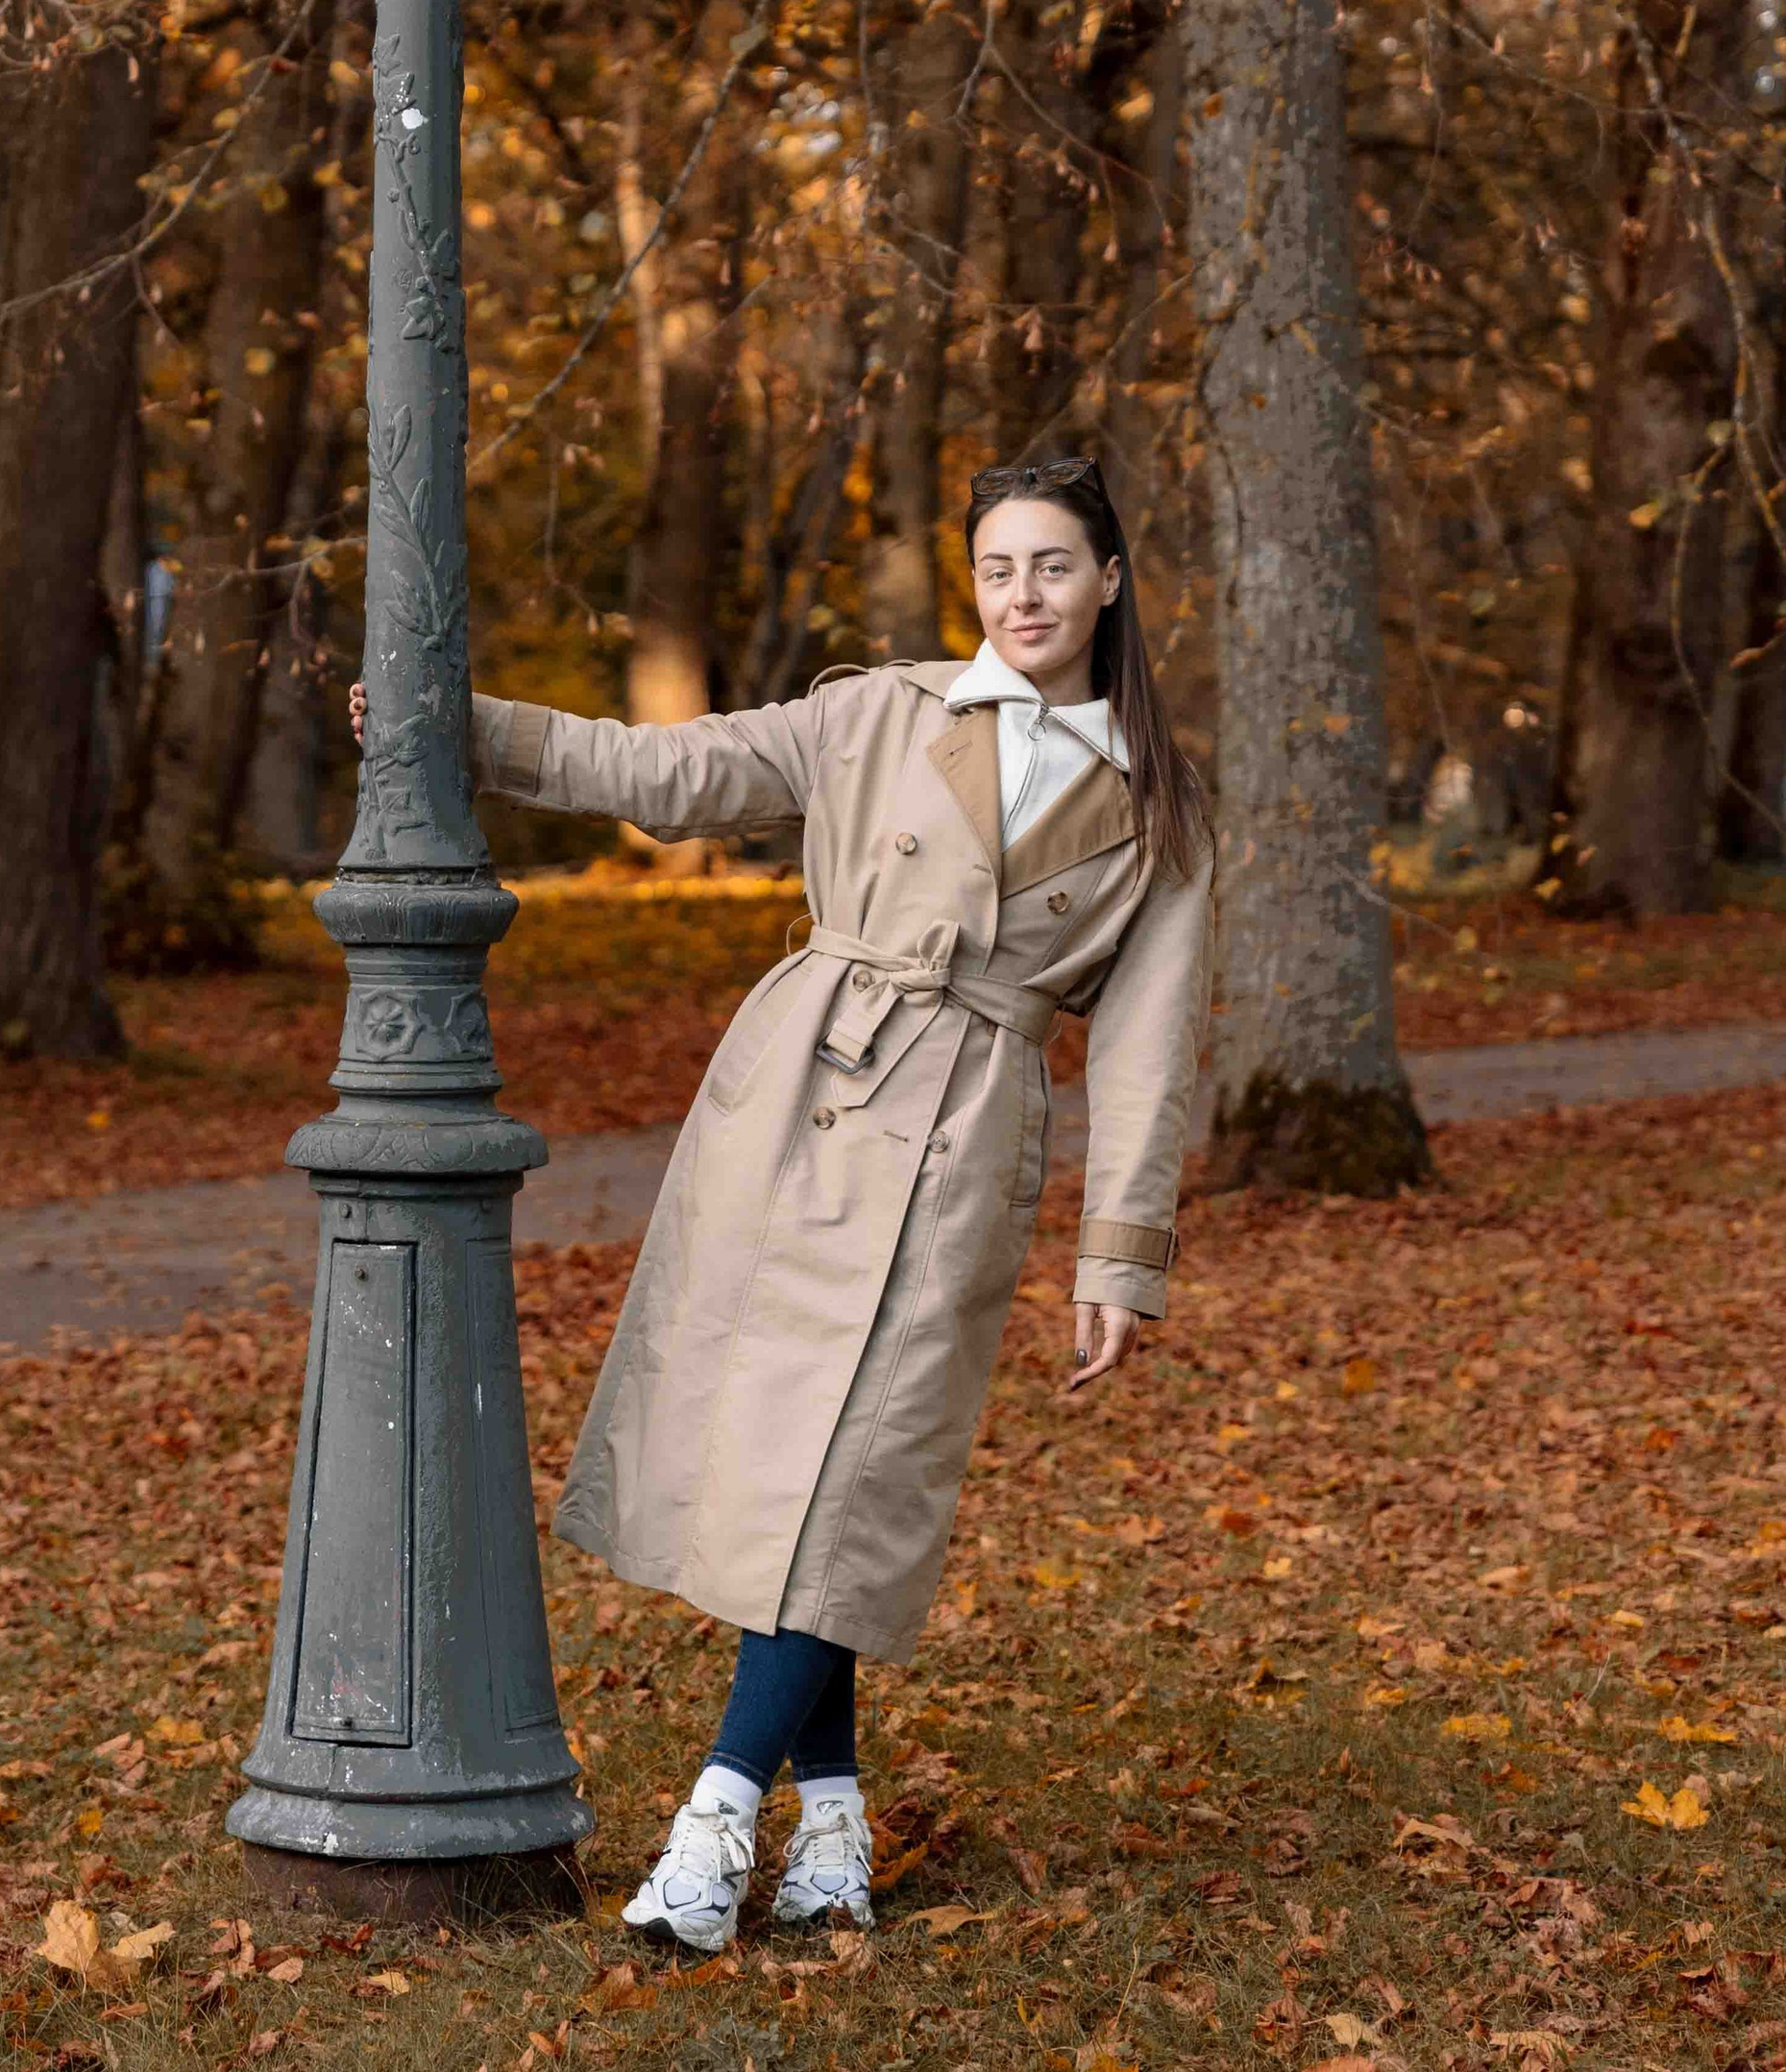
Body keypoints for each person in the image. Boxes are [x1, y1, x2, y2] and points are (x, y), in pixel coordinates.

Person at [354, 455, 1212, 1953]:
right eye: (998, 567)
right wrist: (459, 727)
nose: (1024, 595)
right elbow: (666, 774)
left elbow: (1148, 1047)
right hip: (804, 1094)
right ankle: (831, 1826)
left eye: (1054, 566)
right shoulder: (880, 712)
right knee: (792, 1466)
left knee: (856, 1468)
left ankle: (715, 1819)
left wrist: (1119, 1256)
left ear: (1110, 581)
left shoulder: (1161, 809)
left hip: (963, 1131)